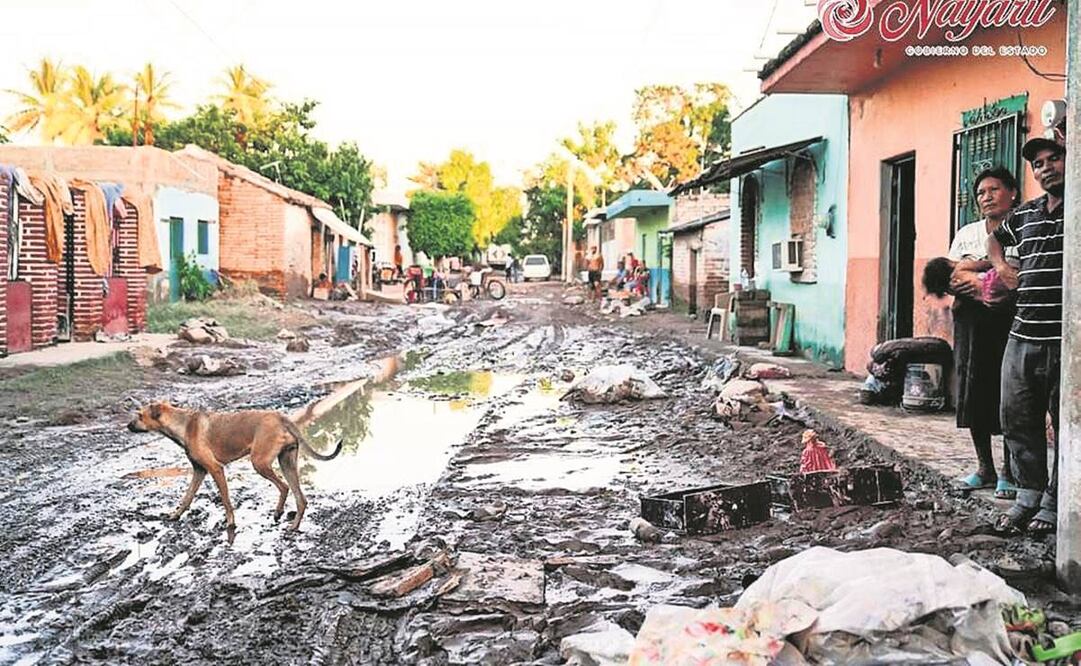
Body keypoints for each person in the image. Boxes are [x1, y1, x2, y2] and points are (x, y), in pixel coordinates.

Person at [923, 167, 1020, 499]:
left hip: (1009, 322)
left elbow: (1014, 279)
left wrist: (974, 269)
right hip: (970, 324)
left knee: (1008, 393)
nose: (987, 196)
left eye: (994, 189)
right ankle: (984, 468)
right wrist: (982, 281)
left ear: (1013, 194)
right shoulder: (967, 232)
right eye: (981, 192)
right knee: (973, 390)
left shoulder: (1023, 228)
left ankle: (1010, 471)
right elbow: (947, 276)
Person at [988, 132, 1066, 535]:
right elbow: (994, 238)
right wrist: (1001, 268)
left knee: (1066, 425)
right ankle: (1028, 496)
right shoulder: (1027, 213)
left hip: (1065, 341)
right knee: (1017, 419)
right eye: (1038, 164)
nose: (1045, 167)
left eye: (1054, 158)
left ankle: (1055, 500)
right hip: (1022, 335)